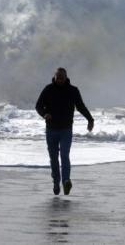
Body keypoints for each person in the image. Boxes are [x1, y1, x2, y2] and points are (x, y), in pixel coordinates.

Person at [35, 67, 94, 195]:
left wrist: (90, 119)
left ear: (66, 77)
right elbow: (38, 105)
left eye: (62, 77)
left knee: (64, 156)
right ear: (54, 77)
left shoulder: (73, 91)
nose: (60, 79)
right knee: (53, 158)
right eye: (58, 77)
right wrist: (44, 114)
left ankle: (66, 181)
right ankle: (56, 182)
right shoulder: (48, 89)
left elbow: (81, 106)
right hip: (51, 130)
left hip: (66, 130)